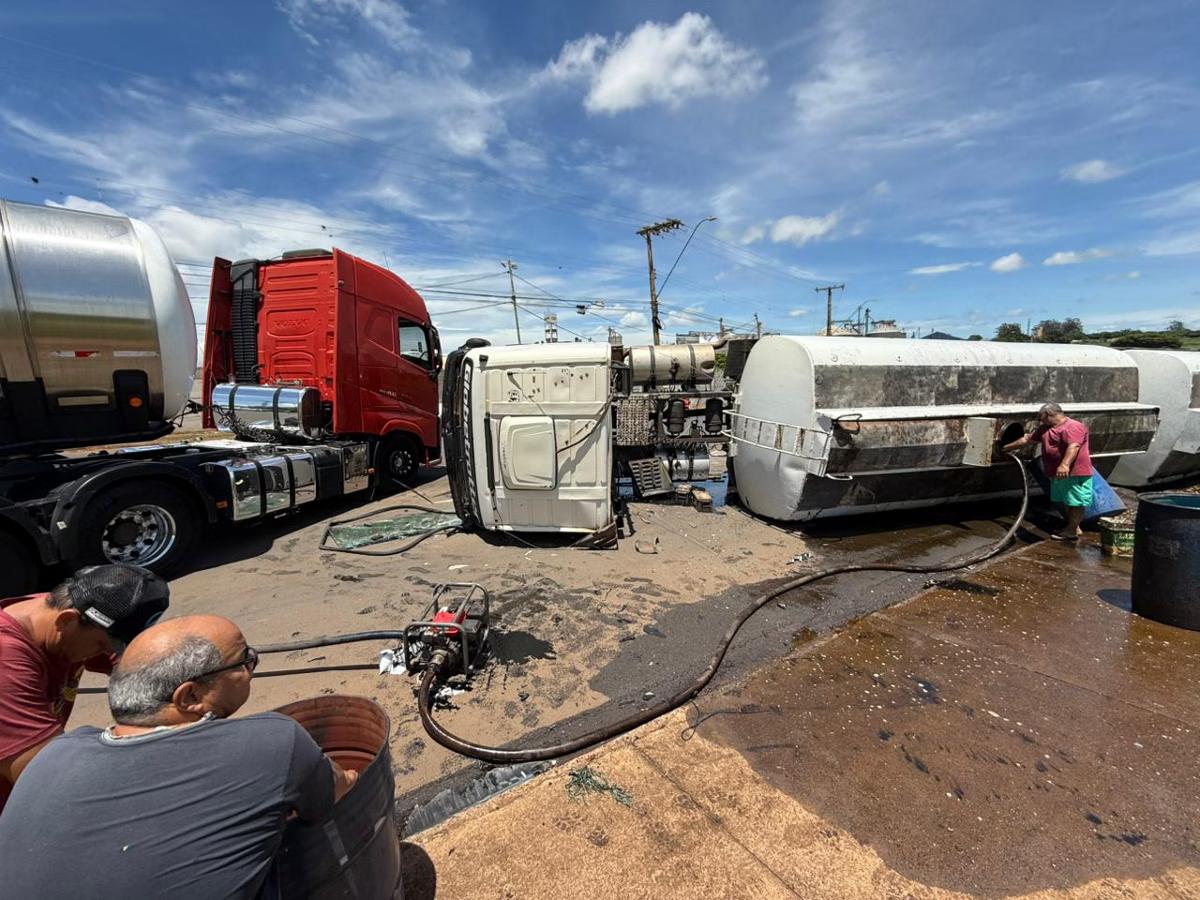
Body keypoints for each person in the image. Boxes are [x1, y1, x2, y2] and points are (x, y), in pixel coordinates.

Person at [0, 614, 358, 899]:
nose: (250, 669)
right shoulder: (275, 740)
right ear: (189, 697)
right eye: (243, 662)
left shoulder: (56, 754)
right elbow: (341, 789)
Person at [0, 564, 170, 814]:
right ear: (66, 621)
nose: (108, 654)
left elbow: (144, 680)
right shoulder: (7, 661)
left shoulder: (64, 616)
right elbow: (49, 779)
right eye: (103, 646)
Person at [1003, 402, 1094, 540]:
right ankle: (1074, 527)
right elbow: (1027, 439)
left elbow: (1074, 446)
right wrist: (1004, 448)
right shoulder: (1046, 428)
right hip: (1057, 472)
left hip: (1073, 472)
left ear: (1048, 414)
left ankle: (1071, 531)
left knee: (1076, 501)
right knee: (1067, 500)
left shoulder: (1073, 427)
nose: (1040, 420)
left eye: (1040, 416)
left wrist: (1064, 465)